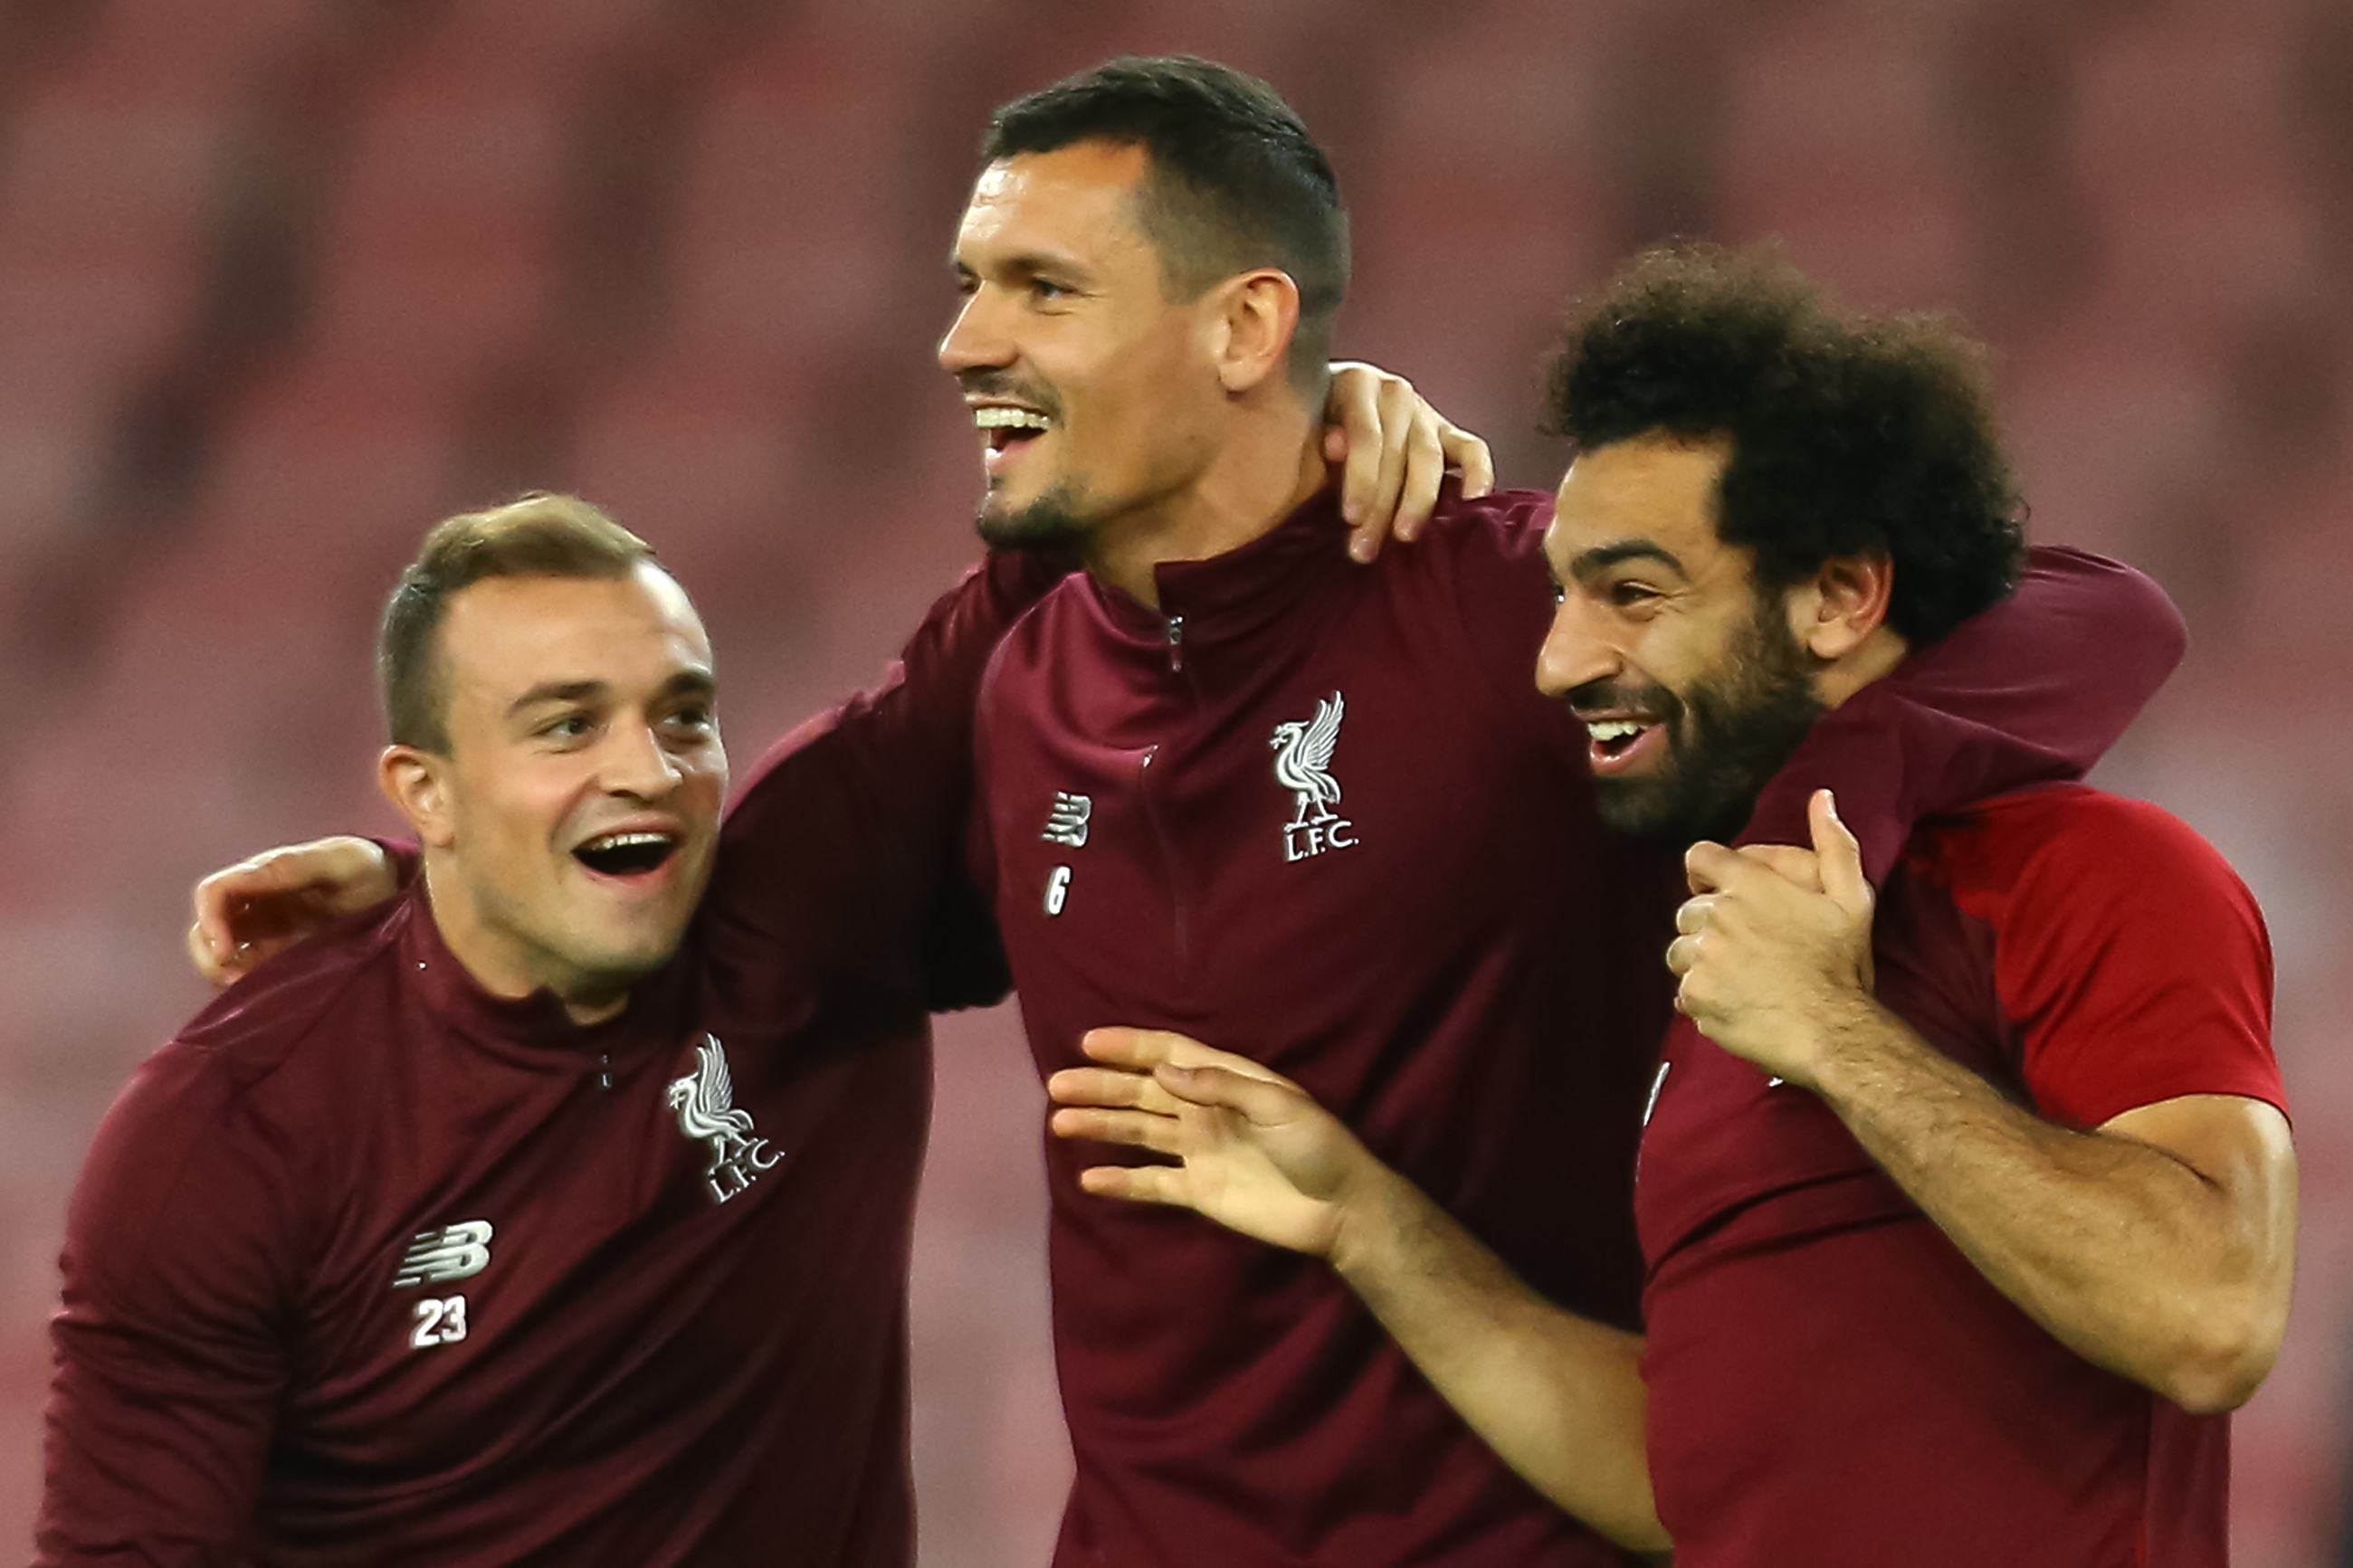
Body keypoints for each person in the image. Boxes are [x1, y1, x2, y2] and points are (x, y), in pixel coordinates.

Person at [192, 58, 2188, 1568]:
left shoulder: (1528, 607)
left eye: (1039, 289)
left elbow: (2097, 615)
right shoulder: (1009, 667)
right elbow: (741, 910)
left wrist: (1787, 829)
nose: (963, 341)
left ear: (1241, 331)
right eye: (970, 285)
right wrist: (422, 879)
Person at [42, 377, 1461, 1568]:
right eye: (565, 724)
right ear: (431, 787)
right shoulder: (232, 1138)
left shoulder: (807, 905)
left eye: (682, 712)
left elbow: (1058, 559)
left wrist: (1278, 410)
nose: (646, 769)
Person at [1043, 243, 2296, 1568]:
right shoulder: (1719, 972)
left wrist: (1833, 1031)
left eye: (1635, 593)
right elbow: (1689, 1470)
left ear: (1838, 595)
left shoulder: (2091, 871)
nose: (1560, 659)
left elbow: (2211, 1308)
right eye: (1564, 594)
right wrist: (1371, 1219)